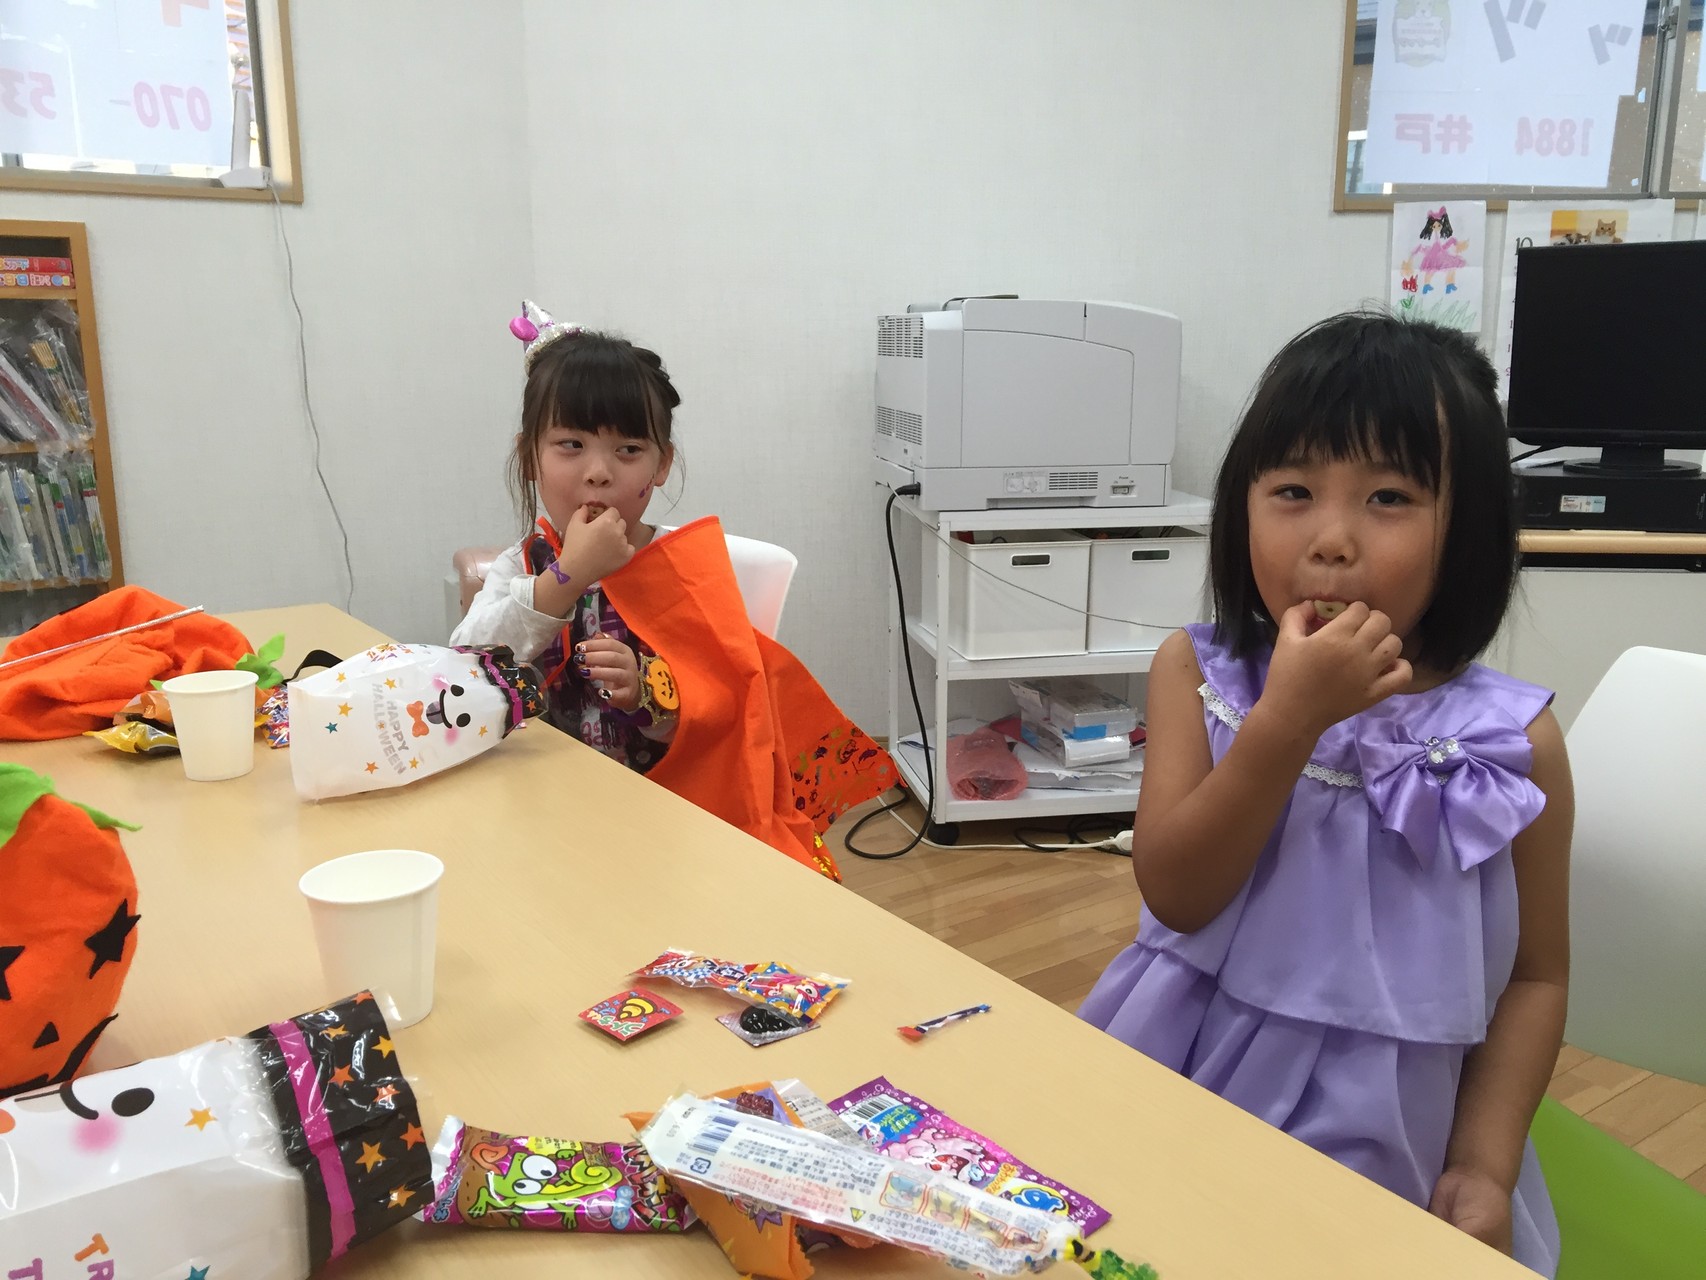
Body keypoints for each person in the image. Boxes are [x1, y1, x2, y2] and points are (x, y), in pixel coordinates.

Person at [1079, 313, 1572, 1275]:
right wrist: (1287, 721)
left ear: (1466, 528)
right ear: (1242, 507)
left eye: (1389, 497)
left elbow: (1536, 976)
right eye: (1293, 492)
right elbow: (1177, 893)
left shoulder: (1513, 743)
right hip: (1183, 1070)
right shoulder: (1199, 675)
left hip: (1391, 1125)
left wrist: (1485, 1162)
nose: (1331, 541)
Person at [452, 301, 680, 773]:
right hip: (542, 790)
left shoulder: (682, 565)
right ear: (530, 457)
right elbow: (464, 666)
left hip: (662, 796)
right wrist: (567, 576)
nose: (598, 472)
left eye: (628, 449)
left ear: (661, 465)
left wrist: (644, 695)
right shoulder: (521, 565)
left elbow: (723, 713)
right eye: (571, 445)